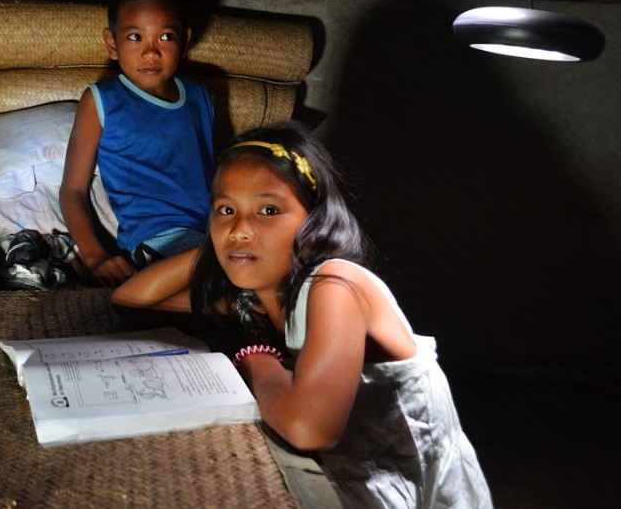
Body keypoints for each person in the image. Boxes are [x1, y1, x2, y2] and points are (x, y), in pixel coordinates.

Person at [112, 123, 492, 508]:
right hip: (351, 471)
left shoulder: (337, 284)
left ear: (314, 222)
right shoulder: (255, 299)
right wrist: (221, 241)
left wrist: (256, 358)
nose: (241, 229)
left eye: (268, 210)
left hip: (411, 486)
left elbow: (308, 428)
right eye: (226, 209)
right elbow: (130, 300)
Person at [60, 0, 214, 286]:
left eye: (166, 37)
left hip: (213, 235)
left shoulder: (200, 97)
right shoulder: (102, 100)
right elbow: (72, 190)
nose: (151, 51)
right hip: (157, 244)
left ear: (184, 40)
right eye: (135, 37)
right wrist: (94, 256)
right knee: (212, 286)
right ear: (112, 43)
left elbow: (213, 175)